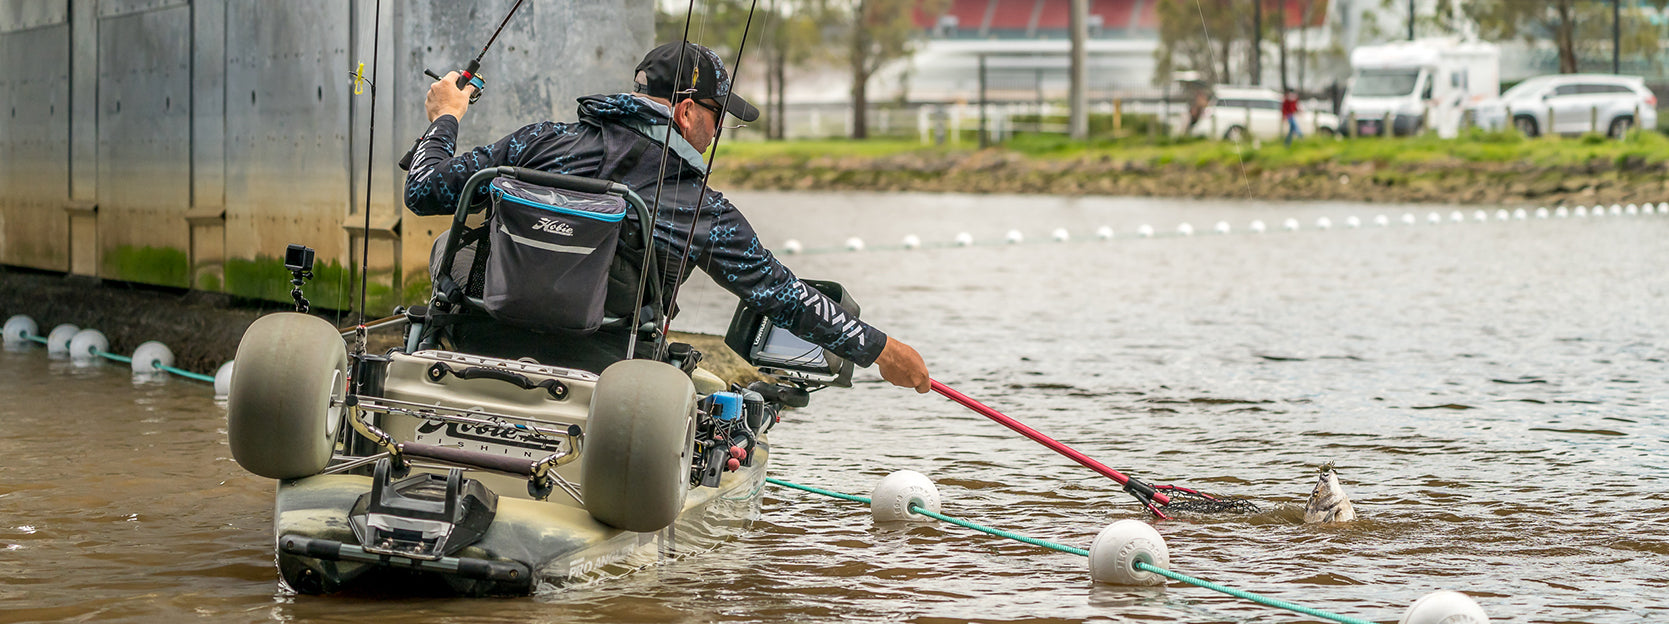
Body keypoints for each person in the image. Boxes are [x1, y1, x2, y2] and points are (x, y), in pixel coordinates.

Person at [402, 42, 931, 393]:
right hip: (609, 373)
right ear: (684, 111)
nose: (719, 129)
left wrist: (446, 116)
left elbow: (424, 189)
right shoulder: (700, 207)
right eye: (717, 114)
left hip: (474, 340)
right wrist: (882, 349)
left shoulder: (540, 141)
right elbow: (782, 296)